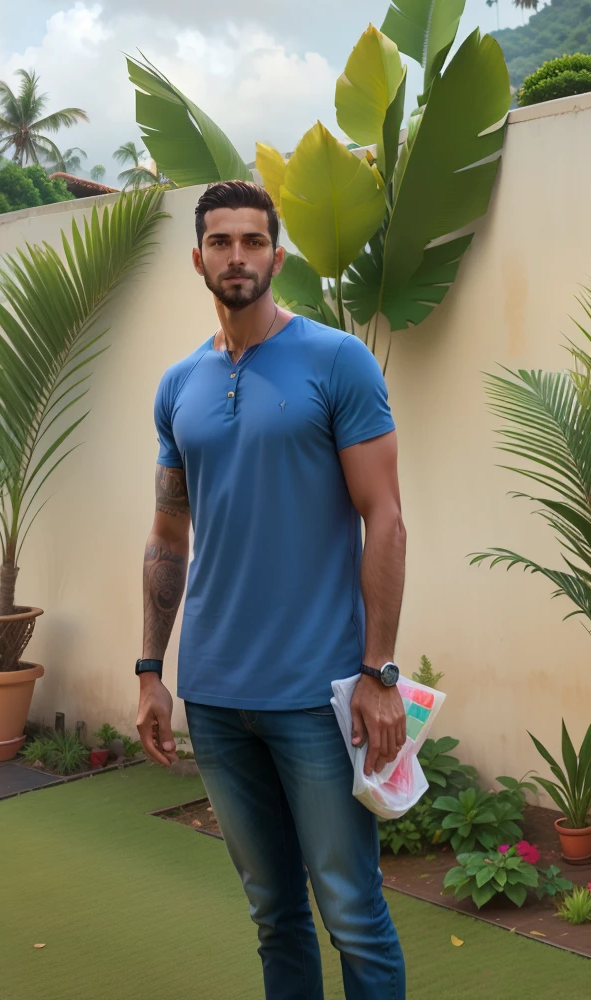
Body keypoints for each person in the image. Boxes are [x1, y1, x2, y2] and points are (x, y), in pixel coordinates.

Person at [135, 179, 408, 1000]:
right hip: (216, 695)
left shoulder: (336, 362)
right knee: (273, 912)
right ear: (198, 259)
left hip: (320, 694)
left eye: (253, 241)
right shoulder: (177, 386)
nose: (238, 257)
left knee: (352, 910)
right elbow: (167, 534)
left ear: (276, 255)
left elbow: (385, 519)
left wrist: (380, 671)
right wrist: (151, 668)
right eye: (221, 242)